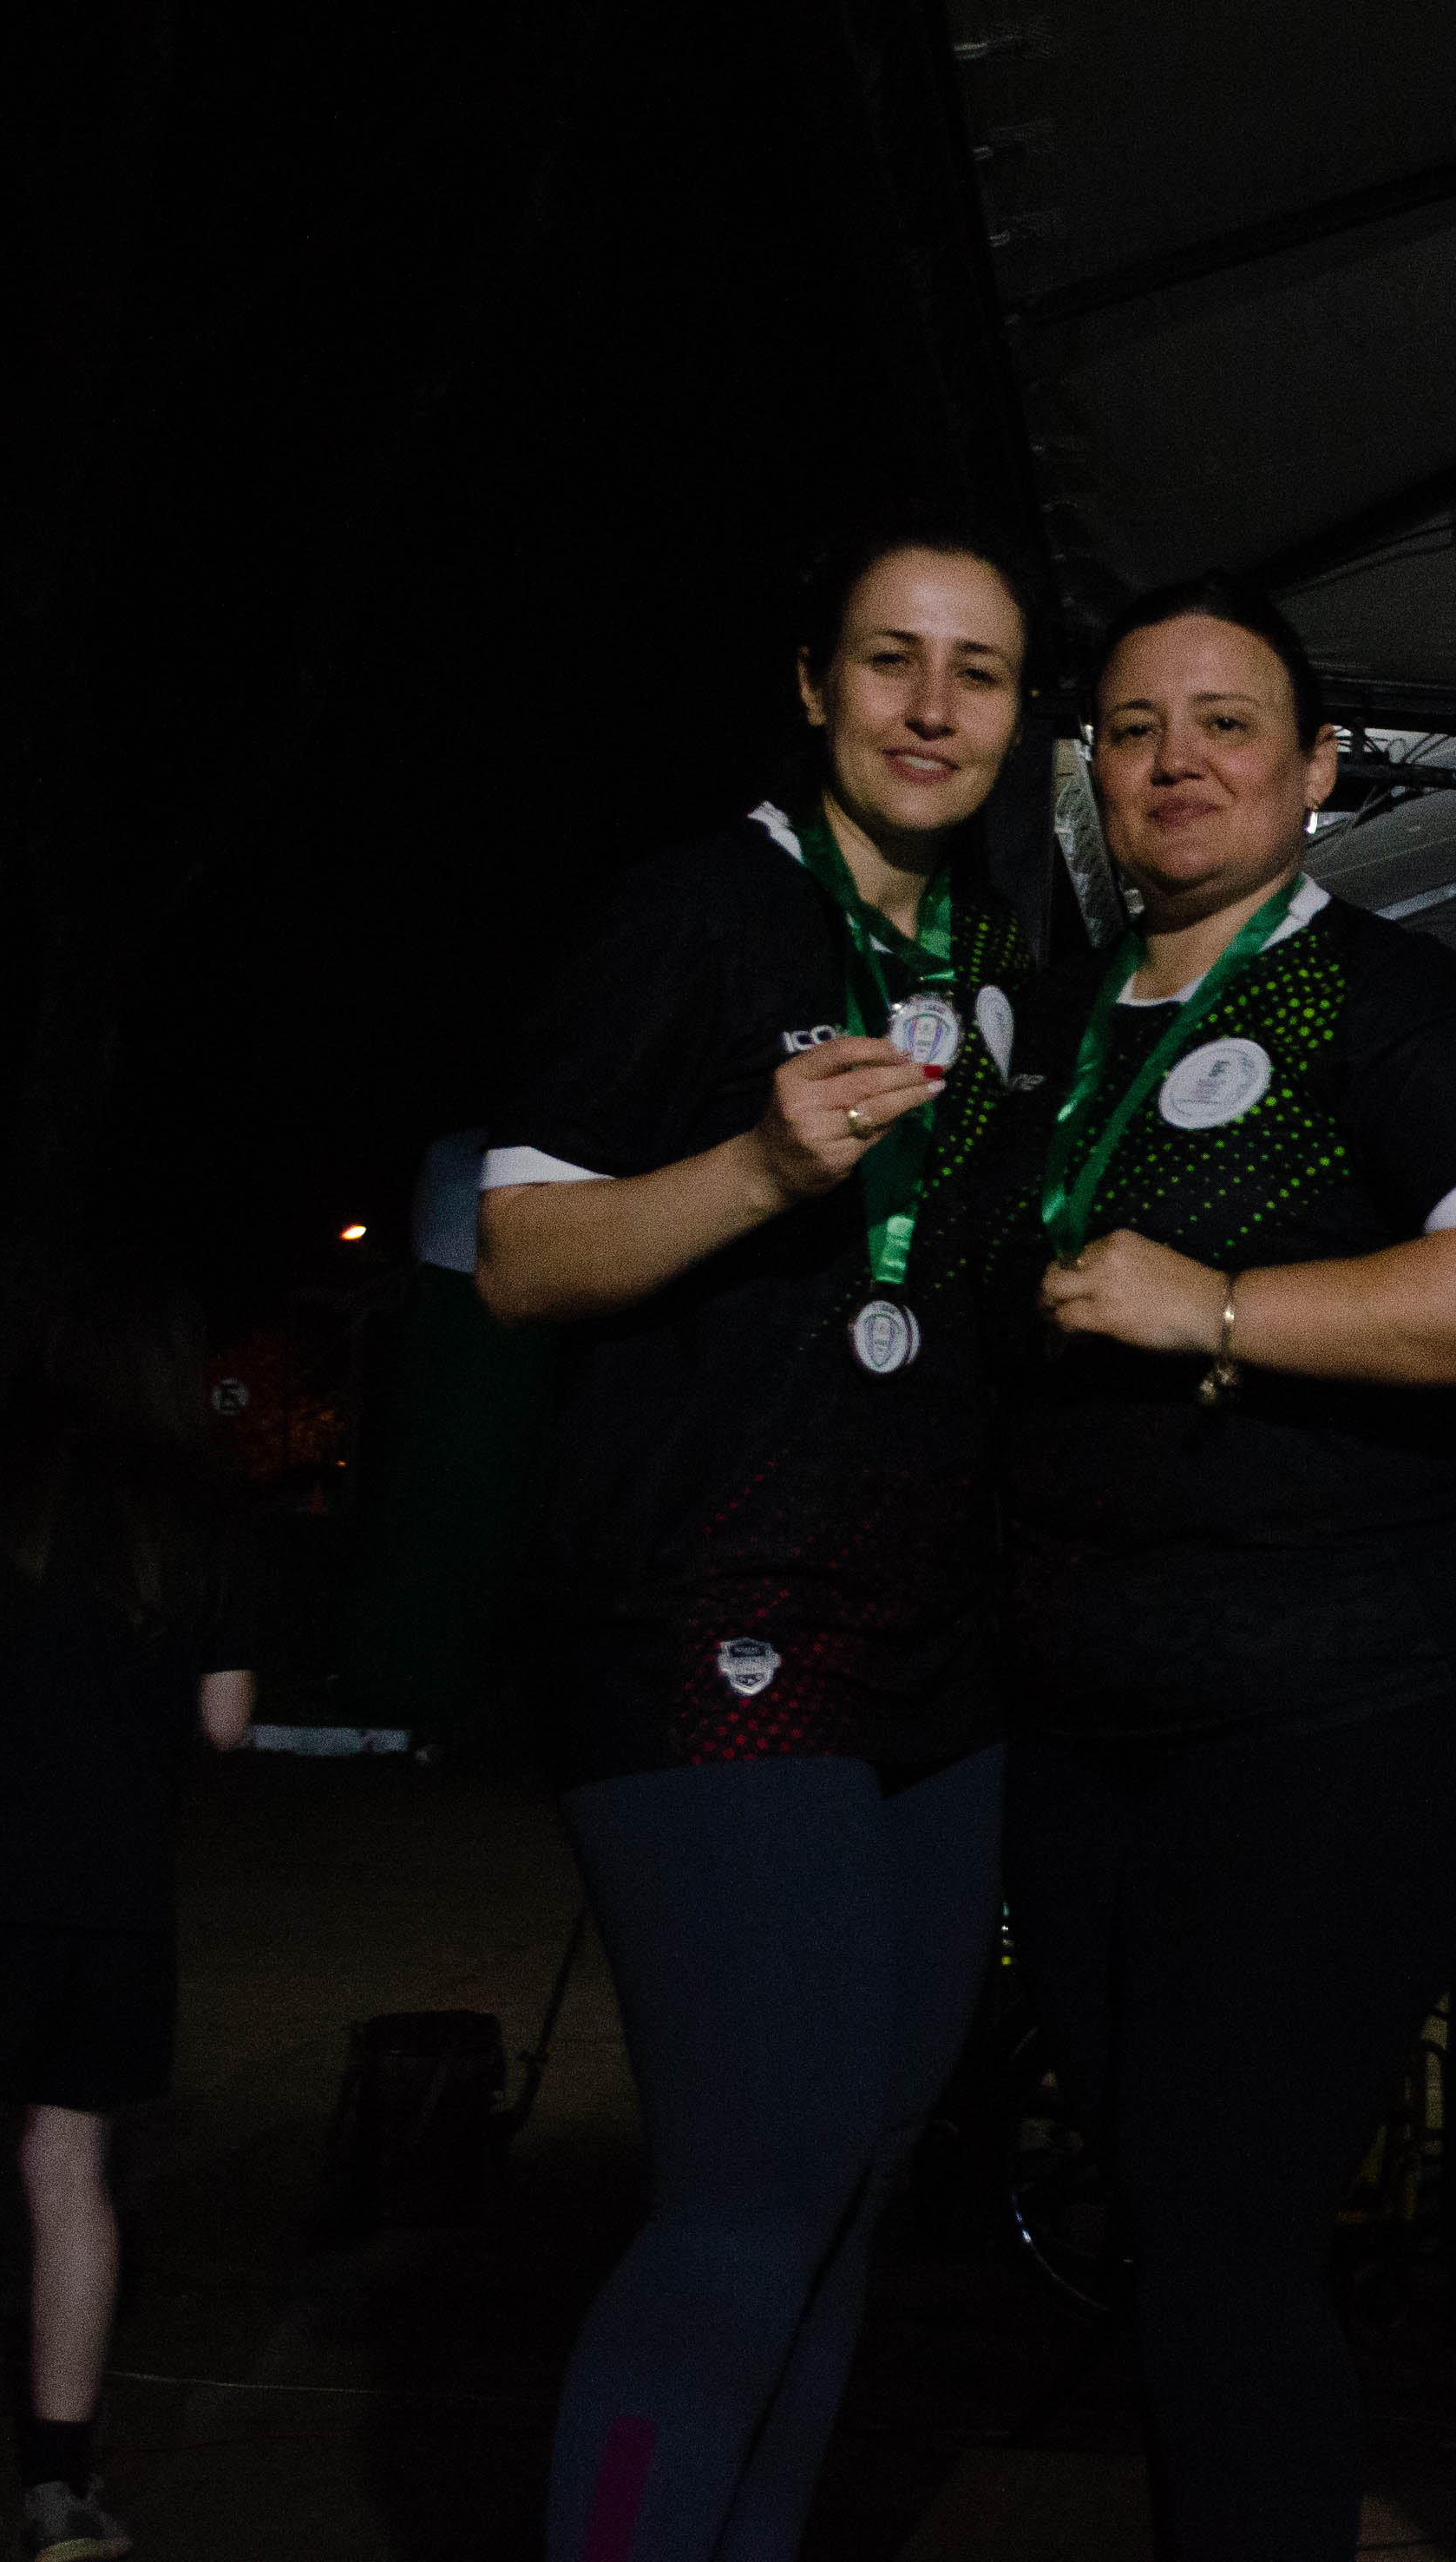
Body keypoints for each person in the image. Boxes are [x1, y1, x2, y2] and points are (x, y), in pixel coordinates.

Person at [985, 578, 1456, 2562]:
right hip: (1087, 1723)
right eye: (1134, 728)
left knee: (1225, 2228)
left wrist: (1224, 1310)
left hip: (1348, 1709)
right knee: (1171, 2221)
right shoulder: (1051, 1020)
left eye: (1228, 722)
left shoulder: (1379, 997)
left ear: (1319, 767)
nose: (1176, 761)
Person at [475, 519, 1059, 2562]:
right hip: (714, 1622)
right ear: (814, 684)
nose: (932, 707)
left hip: (935, 1657)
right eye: (891, 659)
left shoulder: (1000, 952)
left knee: (853, 2185)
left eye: (978, 671)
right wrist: (751, 1165)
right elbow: (518, 1254)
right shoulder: (696, 914)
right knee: (752, 2188)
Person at [0, 1269, 259, 2562]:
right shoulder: (206, 1510)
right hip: (111, 1884)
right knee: (70, 2173)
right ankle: (64, 2494)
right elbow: (225, 1721)